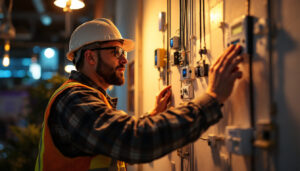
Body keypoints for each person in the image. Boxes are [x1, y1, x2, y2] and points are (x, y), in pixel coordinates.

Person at [35, 18, 243, 171]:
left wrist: (152, 117)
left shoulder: (89, 96)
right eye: (116, 52)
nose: (124, 60)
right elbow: (134, 142)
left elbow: (111, 140)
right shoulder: (74, 99)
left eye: (123, 53)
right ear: (90, 57)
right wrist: (212, 98)